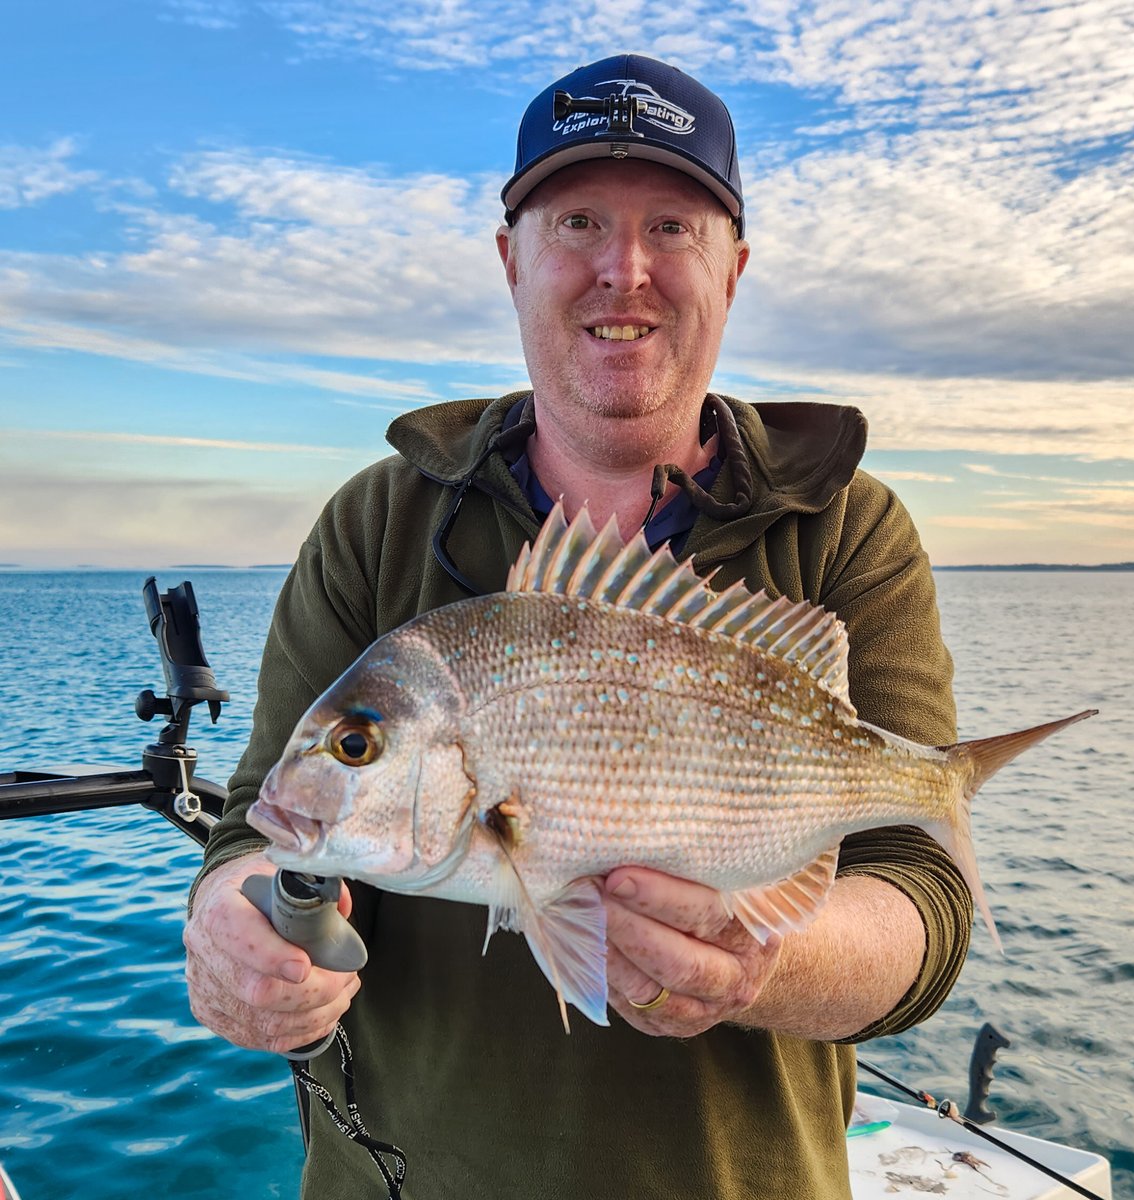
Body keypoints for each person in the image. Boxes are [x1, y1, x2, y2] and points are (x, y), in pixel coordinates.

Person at [184, 53, 973, 1199]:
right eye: (580, 221)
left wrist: (766, 963)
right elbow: (254, 830)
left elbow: (922, 902)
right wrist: (228, 931)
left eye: (674, 226)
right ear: (512, 259)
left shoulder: (850, 530)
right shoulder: (374, 521)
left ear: (734, 269)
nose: (624, 269)